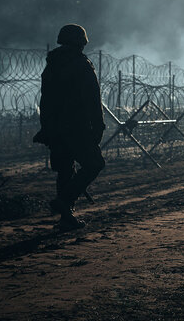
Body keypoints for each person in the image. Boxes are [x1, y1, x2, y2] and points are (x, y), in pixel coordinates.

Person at [33, 24, 106, 230]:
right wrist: (98, 125)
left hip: (56, 129)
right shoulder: (82, 65)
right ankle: (65, 201)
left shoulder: (52, 65)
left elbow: (45, 101)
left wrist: (45, 128)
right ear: (80, 42)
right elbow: (93, 98)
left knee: (65, 170)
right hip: (77, 127)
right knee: (94, 164)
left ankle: (66, 218)